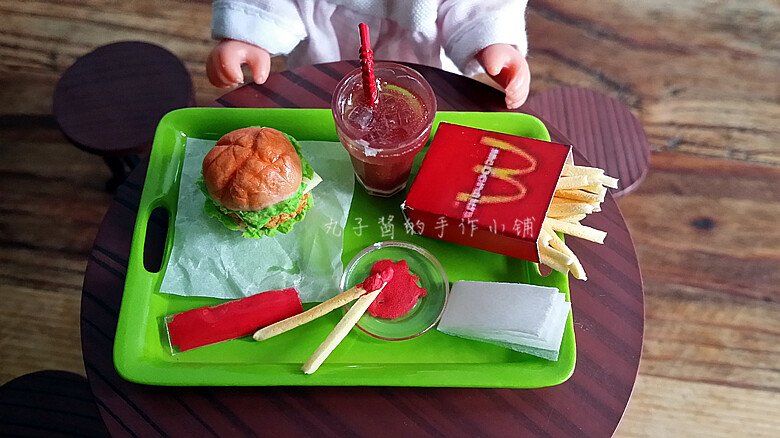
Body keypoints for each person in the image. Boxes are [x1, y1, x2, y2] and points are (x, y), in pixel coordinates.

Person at [206, 0, 531, 109]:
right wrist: (251, 32)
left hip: (421, 53)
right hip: (325, 44)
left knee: (418, 105)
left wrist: (492, 38)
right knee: (326, 101)